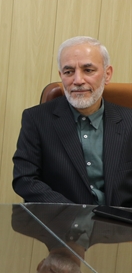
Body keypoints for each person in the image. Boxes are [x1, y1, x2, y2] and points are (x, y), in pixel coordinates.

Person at [12, 36, 132, 206]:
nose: (78, 80)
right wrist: (70, 213)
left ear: (107, 74)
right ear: (61, 75)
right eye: (68, 72)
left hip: (118, 221)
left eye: (88, 70)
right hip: (62, 219)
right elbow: (25, 179)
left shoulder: (129, 121)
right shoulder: (36, 120)